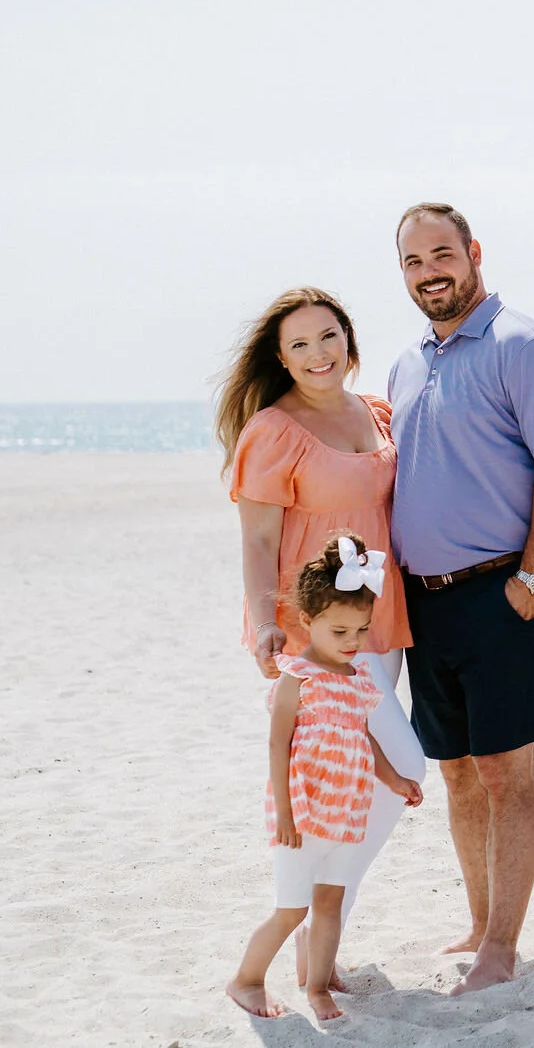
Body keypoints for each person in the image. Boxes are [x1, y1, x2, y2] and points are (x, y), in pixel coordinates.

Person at [389, 202, 534, 993]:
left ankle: (502, 950)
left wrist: (533, 578)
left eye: (441, 254)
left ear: (473, 252)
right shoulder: (409, 363)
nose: (429, 271)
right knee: (459, 774)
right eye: (412, 262)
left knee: (508, 776)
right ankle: (478, 924)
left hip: (506, 593)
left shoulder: (524, 345)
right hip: (424, 602)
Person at [217, 286, 425, 988]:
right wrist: (268, 622)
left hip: (382, 619)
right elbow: (256, 538)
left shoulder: (376, 413)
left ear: (349, 339)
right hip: (316, 631)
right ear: (281, 357)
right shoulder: (273, 430)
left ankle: (320, 950)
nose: (317, 353)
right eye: (300, 343)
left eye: (328, 336)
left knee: (359, 782)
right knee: (398, 767)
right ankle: (307, 922)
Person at [226, 537, 424, 1021]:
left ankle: (316, 987)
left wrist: (395, 779)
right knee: (291, 910)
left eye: (360, 630)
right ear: (308, 622)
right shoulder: (297, 677)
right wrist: (286, 813)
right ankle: (246, 980)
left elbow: (364, 736)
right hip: (303, 814)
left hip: (348, 811)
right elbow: (279, 746)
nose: (352, 642)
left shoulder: (359, 678)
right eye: (339, 631)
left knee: (330, 904)